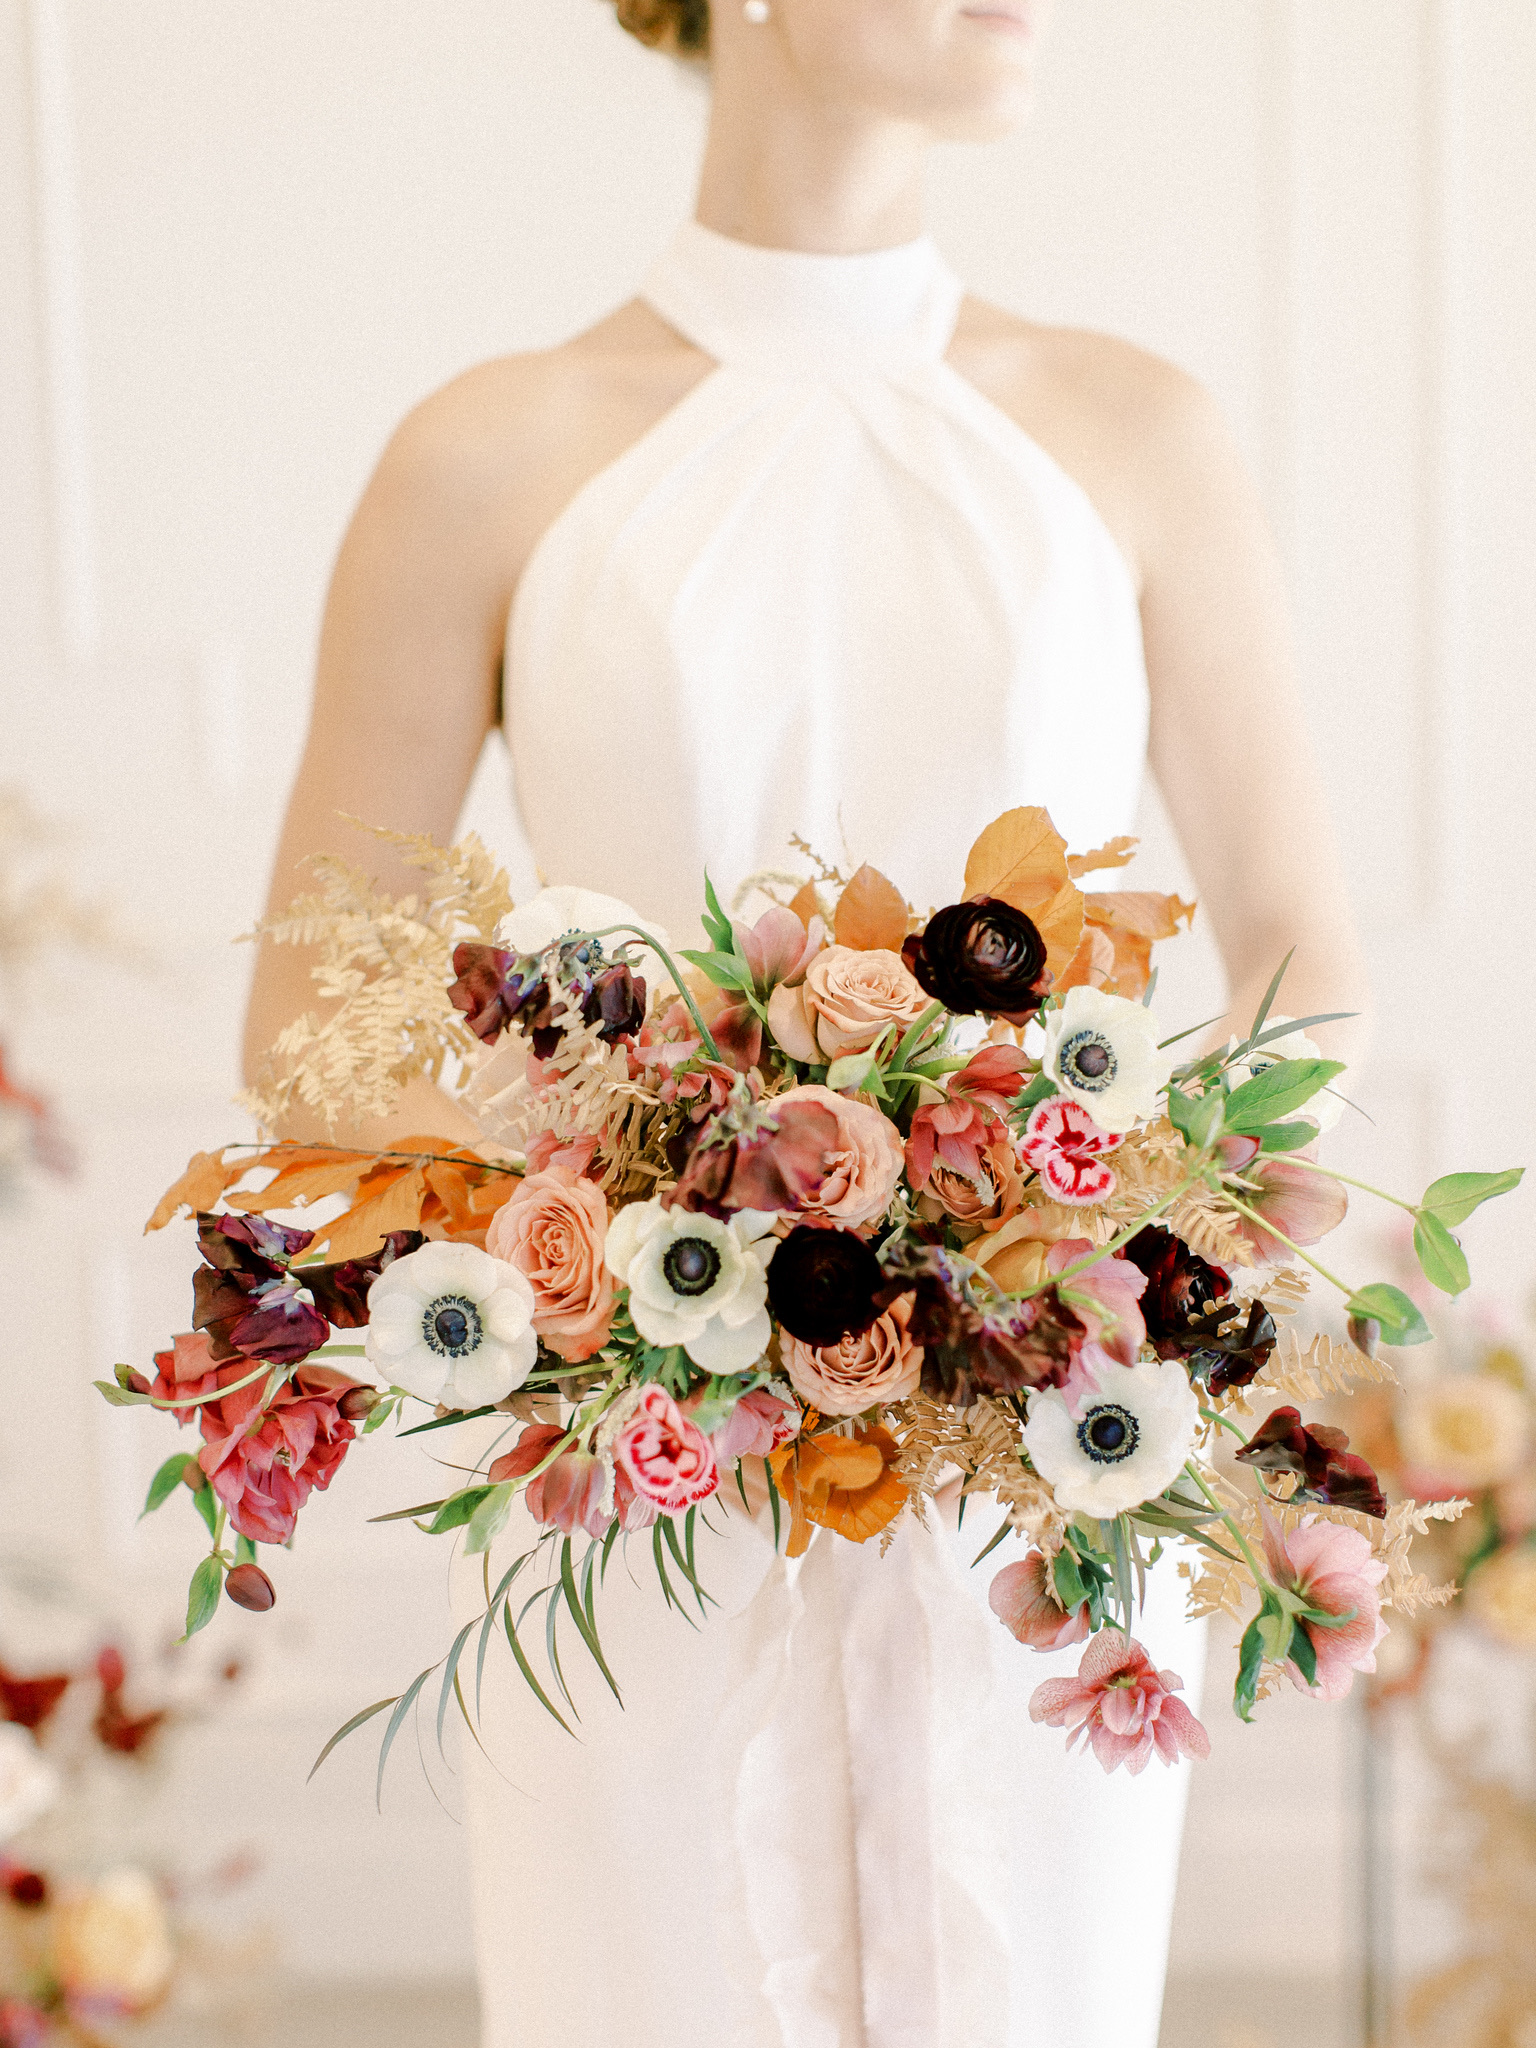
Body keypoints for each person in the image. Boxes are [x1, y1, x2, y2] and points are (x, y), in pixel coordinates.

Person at [244, 2, 1368, 2042]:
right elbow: (316, 1012)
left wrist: (1136, 1251)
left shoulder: (1138, 434)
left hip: (1053, 1456)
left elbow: (1298, 934)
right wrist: (671, 1245)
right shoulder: (493, 452)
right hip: (639, 1475)